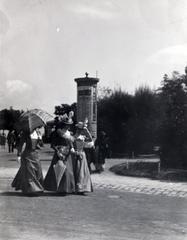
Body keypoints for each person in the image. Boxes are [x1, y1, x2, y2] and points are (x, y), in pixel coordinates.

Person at [44, 113, 75, 194]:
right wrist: (58, 152)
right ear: (63, 124)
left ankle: (66, 188)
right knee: (59, 170)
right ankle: (58, 188)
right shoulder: (57, 132)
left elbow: (70, 142)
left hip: (67, 154)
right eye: (66, 125)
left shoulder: (69, 133)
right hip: (59, 154)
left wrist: (72, 148)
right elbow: (53, 145)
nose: (68, 126)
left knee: (68, 171)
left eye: (69, 125)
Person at [11, 129, 44, 195]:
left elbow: (41, 145)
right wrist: (19, 155)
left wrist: (40, 139)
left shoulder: (38, 133)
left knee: (38, 171)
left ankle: (35, 188)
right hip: (27, 155)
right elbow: (20, 144)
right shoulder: (25, 133)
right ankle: (31, 190)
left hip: (35, 154)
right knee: (30, 173)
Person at [73, 122, 93, 194]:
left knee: (83, 172)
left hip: (82, 154)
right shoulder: (74, 136)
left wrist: (86, 130)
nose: (79, 130)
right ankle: (76, 188)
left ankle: (82, 188)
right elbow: (71, 145)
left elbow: (90, 139)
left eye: (81, 129)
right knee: (77, 171)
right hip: (75, 154)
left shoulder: (83, 136)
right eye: (79, 129)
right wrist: (76, 152)